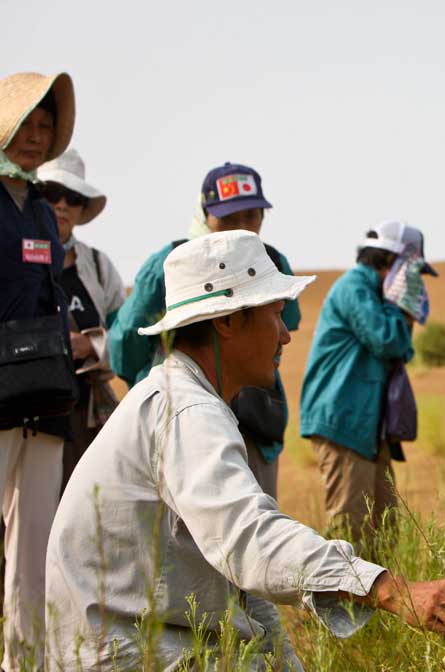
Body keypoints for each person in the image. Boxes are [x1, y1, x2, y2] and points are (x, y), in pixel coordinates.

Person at [45, 230, 445, 671]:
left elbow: (238, 581)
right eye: (275, 314)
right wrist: (388, 589)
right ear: (226, 320)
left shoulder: (185, 397)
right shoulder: (186, 411)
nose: (285, 335)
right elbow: (248, 539)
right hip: (126, 654)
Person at [108, 162, 297, 498]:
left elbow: (285, 327)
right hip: (183, 419)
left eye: (251, 216)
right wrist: (158, 386)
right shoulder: (171, 263)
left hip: (255, 425)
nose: (240, 227)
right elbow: (126, 342)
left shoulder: (272, 261)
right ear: (205, 213)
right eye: (229, 218)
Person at [0, 70, 75, 669]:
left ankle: (23, 664)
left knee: (36, 547)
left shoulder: (46, 213)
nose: (36, 134)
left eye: (45, 124)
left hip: (46, 395)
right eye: (26, 121)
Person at [300, 221, 431, 552]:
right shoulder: (355, 287)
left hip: (368, 427)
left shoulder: (376, 293)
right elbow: (389, 342)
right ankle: (339, 605)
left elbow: (402, 350)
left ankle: (377, 604)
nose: (416, 281)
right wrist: (401, 312)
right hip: (342, 421)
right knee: (351, 532)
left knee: (385, 531)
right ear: (394, 262)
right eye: (412, 271)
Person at [37, 149, 126, 491]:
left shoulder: (99, 266)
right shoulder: (11, 259)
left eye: (72, 198)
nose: (61, 204)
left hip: (86, 418)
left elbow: (126, 337)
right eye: (52, 193)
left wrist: (91, 345)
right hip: (23, 412)